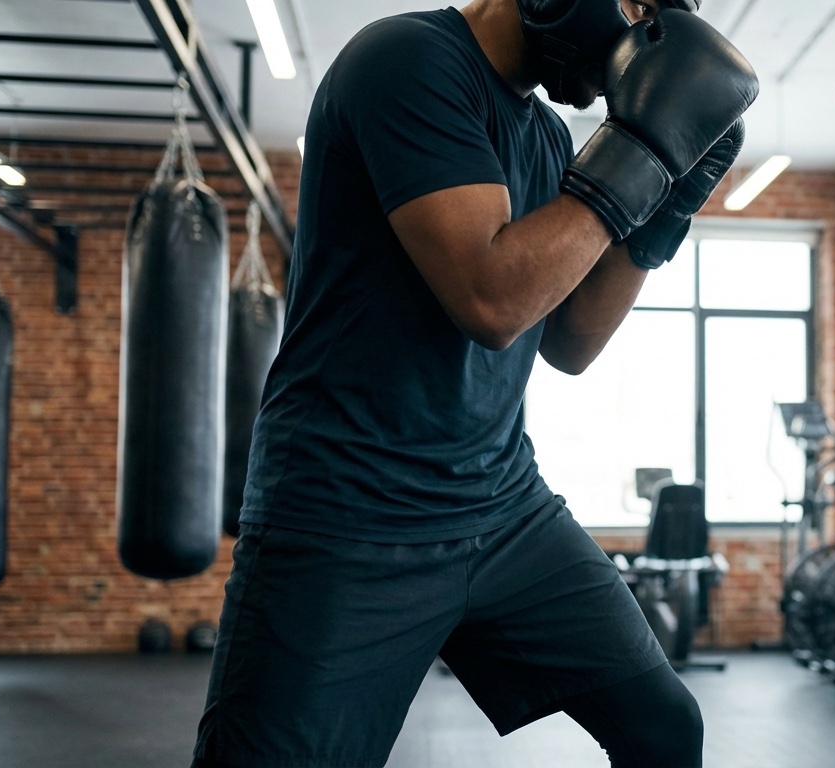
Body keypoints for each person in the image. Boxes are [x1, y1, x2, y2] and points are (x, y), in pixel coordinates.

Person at [190, 0, 757, 765]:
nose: (640, 38)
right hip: (350, 516)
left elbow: (573, 340)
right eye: (635, 7)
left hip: (502, 508)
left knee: (662, 726)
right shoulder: (407, 60)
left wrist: (664, 204)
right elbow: (493, 300)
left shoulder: (548, 136)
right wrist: (638, 150)